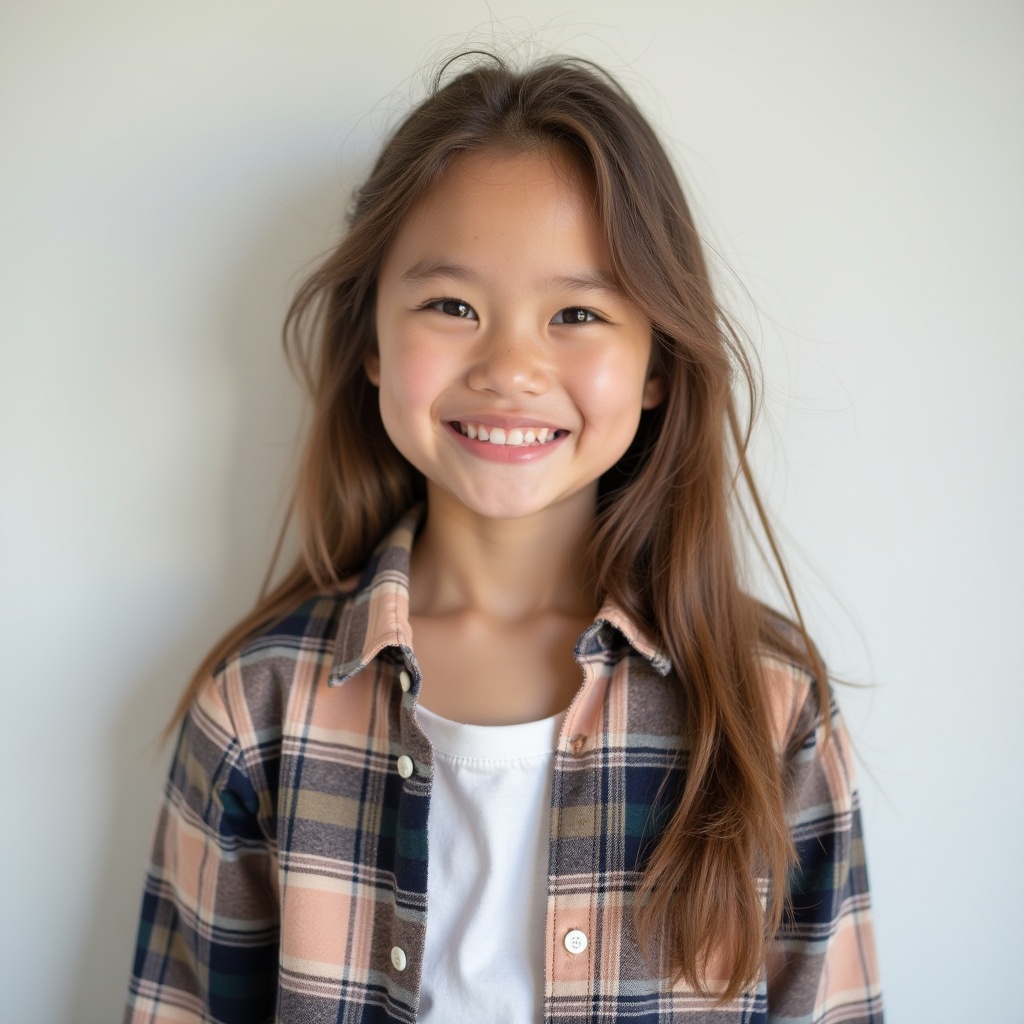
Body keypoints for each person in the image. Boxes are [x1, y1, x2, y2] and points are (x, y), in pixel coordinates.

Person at [124, 54, 882, 1024]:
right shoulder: (257, 706)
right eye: (452, 306)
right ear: (369, 342)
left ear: (656, 362)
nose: (511, 366)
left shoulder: (771, 707)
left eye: (576, 313)